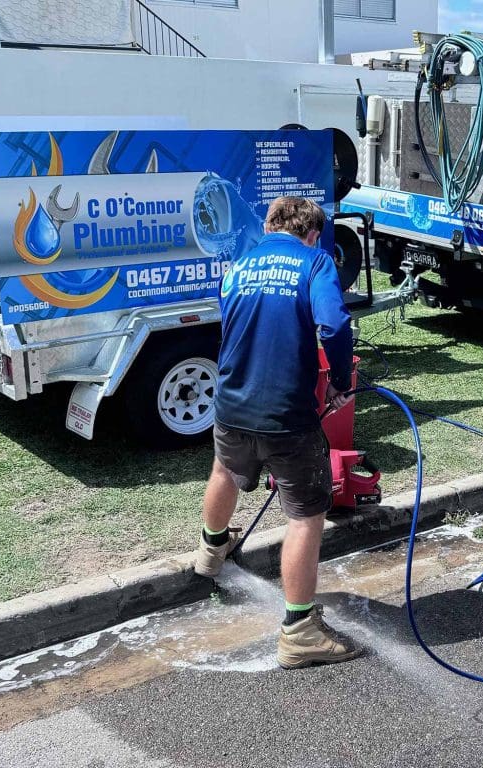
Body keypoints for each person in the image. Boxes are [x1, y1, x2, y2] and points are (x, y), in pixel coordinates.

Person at [194, 195, 361, 671]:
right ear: (313, 234)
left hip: (231, 404)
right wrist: (342, 381)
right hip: (286, 416)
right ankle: (300, 631)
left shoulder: (239, 266)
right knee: (306, 517)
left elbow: (232, 322)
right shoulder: (315, 262)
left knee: (224, 469)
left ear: (268, 227)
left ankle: (211, 551)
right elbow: (334, 324)